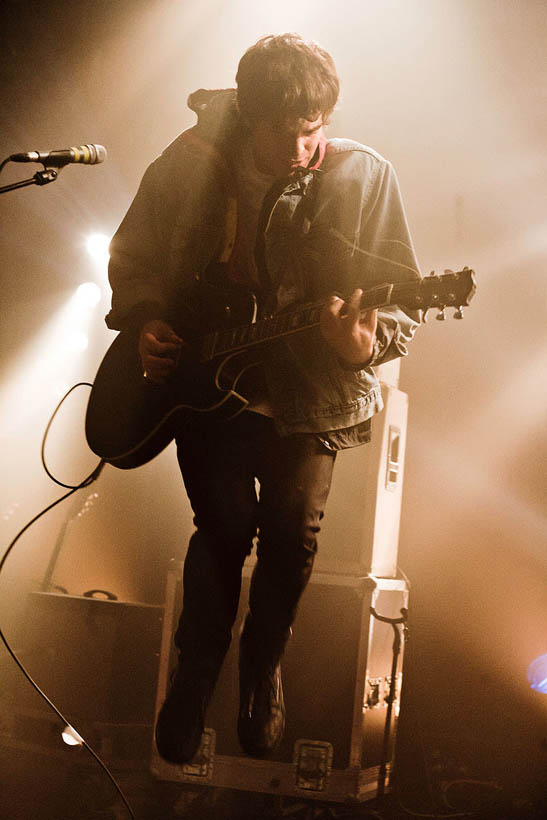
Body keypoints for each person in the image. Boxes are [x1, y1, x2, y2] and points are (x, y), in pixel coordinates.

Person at [105, 33, 421, 764]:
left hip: (312, 396)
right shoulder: (189, 164)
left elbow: (400, 302)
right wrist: (148, 316)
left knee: (291, 535)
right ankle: (192, 677)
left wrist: (361, 347)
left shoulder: (363, 176)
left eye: (312, 129)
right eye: (283, 132)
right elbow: (133, 254)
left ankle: (260, 673)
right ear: (246, 114)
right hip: (206, 388)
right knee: (220, 529)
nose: (301, 148)